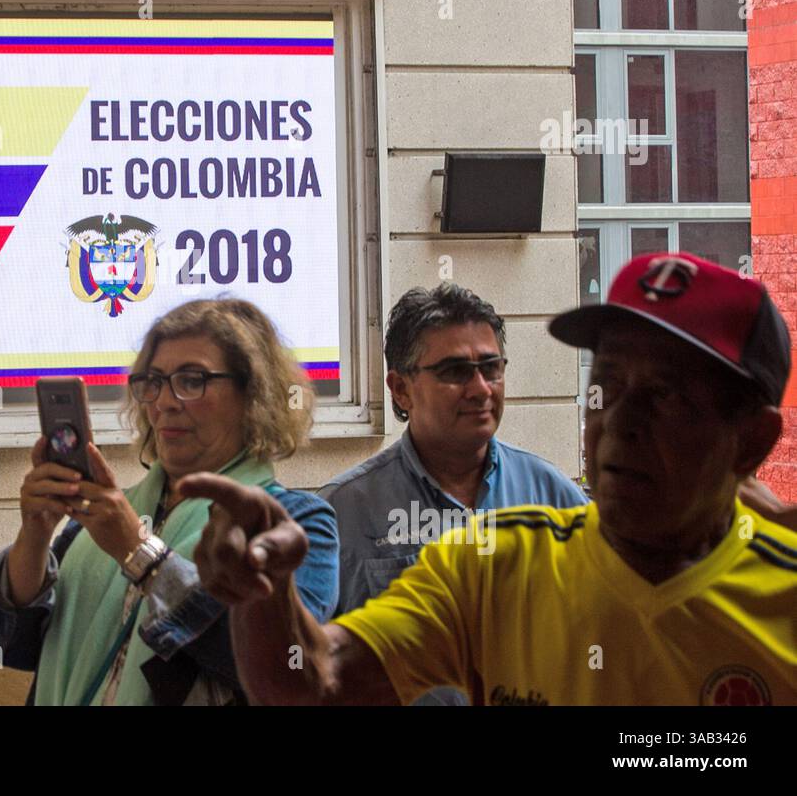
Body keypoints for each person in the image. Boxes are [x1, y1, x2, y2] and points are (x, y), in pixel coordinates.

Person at [184, 252, 797, 705]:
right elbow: (312, 682)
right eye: (606, 385)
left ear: (753, 440)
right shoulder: (494, 563)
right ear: (400, 388)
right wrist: (262, 597)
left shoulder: (780, 587)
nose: (618, 423)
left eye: (665, 396)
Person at [0, 298, 339, 705]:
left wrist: (139, 553)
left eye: (192, 380)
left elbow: (285, 666)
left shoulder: (296, 522)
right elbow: (10, 646)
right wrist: (34, 535)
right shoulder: (107, 516)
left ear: (253, 395)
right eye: (152, 382)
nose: (164, 402)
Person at [321, 283, 585, 616]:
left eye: (491, 368)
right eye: (455, 372)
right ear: (401, 389)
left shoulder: (552, 496)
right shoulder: (342, 512)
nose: (480, 389)